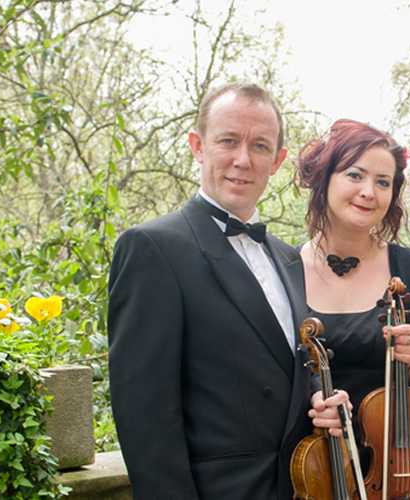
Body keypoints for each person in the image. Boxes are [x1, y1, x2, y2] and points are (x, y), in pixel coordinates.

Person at [107, 82, 313, 499]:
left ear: (278, 161)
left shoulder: (289, 257)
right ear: (198, 146)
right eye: (228, 141)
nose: (243, 160)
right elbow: (145, 417)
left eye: (259, 146)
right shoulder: (152, 247)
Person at [296, 119, 410, 490]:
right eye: (355, 175)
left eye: (383, 182)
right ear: (325, 179)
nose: (369, 192)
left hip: (404, 476)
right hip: (318, 475)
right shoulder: (284, 271)